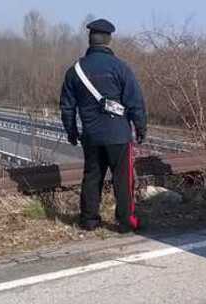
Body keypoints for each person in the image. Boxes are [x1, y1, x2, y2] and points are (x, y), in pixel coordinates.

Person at [60, 18, 147, 232]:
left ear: (90, 40)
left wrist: (71, 132)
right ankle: (126, 222)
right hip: (118, 135)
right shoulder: (120, 68)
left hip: (91, 135)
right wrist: (140, 128)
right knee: (123, 180)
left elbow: (67, 107)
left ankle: (89, 221)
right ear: (108, 40)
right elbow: (135, 101)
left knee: (92, 177)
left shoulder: (75, 71)